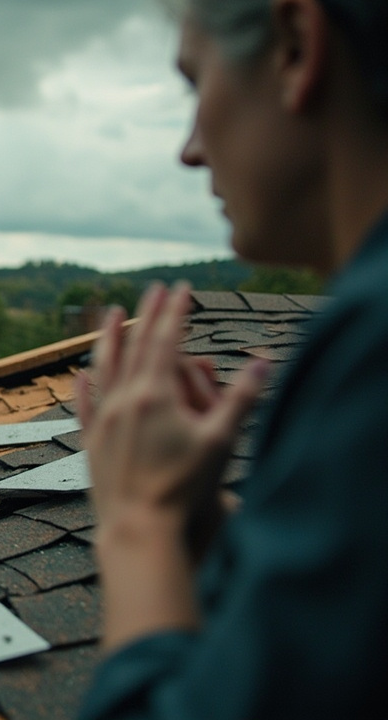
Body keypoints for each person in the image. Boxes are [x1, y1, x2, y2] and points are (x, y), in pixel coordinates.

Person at [76, 0, 388, 716]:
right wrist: (211, 527)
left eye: (195, 82)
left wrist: (138, 518)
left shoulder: (371, 351)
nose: (189, 148)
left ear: (295, 45)